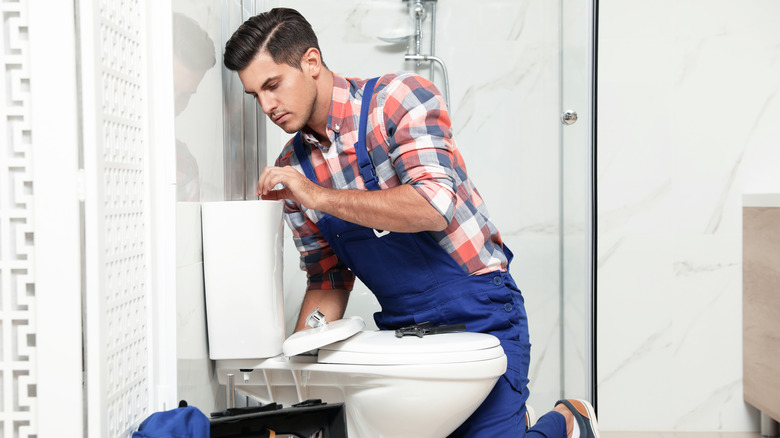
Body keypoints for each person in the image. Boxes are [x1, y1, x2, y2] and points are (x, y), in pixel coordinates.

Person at [223, 7, 599, 438]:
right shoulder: (293, 168)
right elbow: (328, 281)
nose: (267, 106)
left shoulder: (398, 99)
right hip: (407, 331)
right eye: (256, 95)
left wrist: (316, 194)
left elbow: (432, 204)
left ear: (310, 63)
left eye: (273, 85)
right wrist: (296, 363)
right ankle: (515, 422)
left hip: (479, 307)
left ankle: (570, 419)